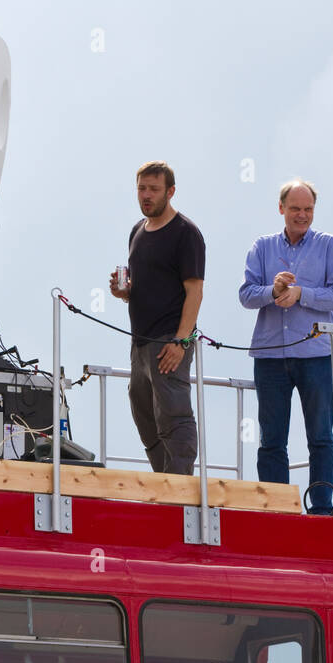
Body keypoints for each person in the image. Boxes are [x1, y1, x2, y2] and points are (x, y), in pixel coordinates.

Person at [239, 179, 333, 515]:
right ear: (281, 208)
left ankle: (321, 509)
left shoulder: (330, 246)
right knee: (271, 440)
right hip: (270, 356)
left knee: (320, 436)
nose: (302, 215)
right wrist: (273, 291)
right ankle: (276, 508)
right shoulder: (262, 247)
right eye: (296, 208)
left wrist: (302, 294)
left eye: (308, 209)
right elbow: (246, 294)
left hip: (316, 355)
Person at [109, 161, 205, 475]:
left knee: (174, 416)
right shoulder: (137, 230)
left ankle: (179, 489)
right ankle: (163, 481)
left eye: (154, 189)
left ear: (170, 191)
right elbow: (146, 286)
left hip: (169, 341)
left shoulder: (186, 233)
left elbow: (195, 292)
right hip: (139, 343)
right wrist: (124, 292)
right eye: (142, 188)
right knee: (144, 414)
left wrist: (180, 341)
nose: (146, 195)